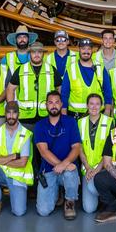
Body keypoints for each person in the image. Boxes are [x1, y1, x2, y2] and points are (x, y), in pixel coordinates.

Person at [33, 90, 82, 219]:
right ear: (46, 105)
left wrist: (64, 165)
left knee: (71, 173)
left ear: (61, 104)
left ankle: (69, 202)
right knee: (43, 211)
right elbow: (44, 152)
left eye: (56, 102)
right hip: (49, 170)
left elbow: (76, 148)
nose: (53, 105)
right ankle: (56, 193)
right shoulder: (39, 125)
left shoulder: (71, 122)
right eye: (50, 102)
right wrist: (62, 165)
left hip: (68, 169)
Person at [0, 101, 32, 217]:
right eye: (8, 113)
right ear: (5, 114)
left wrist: (1, 160)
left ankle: (15, 191)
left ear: (18, 114)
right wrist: (12, 156)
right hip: (2, 173)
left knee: (19, 212)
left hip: (17, 177)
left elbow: (22, 162)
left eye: (14, 113)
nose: (11, 116)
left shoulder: (26, 134)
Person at [77, 93, 112, 214]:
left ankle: (107, 197)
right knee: (89, 209)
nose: (94, 107)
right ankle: (99, 195)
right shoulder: (80, 123)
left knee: (95, 186)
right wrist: (88, 168)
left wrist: (97, 170)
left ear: (102, 106)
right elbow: (79, 148)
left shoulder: (110, 122)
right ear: (87, 105)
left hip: (103, 169)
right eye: (91, 104)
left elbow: (110, 151)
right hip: (87, 170)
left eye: (97, 104)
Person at [62, 37, 112, 118]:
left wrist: (107, 111)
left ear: (92, 50)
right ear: (79, 50)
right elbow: (64, 93)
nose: (86, 51)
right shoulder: (71, 68)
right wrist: (64, 115)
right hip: (76, 115)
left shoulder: (100, 67)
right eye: (83, 48)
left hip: (97, 114)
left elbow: (108, 91)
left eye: (89, 49)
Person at [8, 40, 56, 124]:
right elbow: (10, 89)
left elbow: (60, 88)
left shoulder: (51, 69)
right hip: (25, 118)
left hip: (47, 116)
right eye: (34, 52)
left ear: (43, 54)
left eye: (39, 52)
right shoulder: (21, 69)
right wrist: (12, 110)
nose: (36, 54)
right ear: (29, 54)